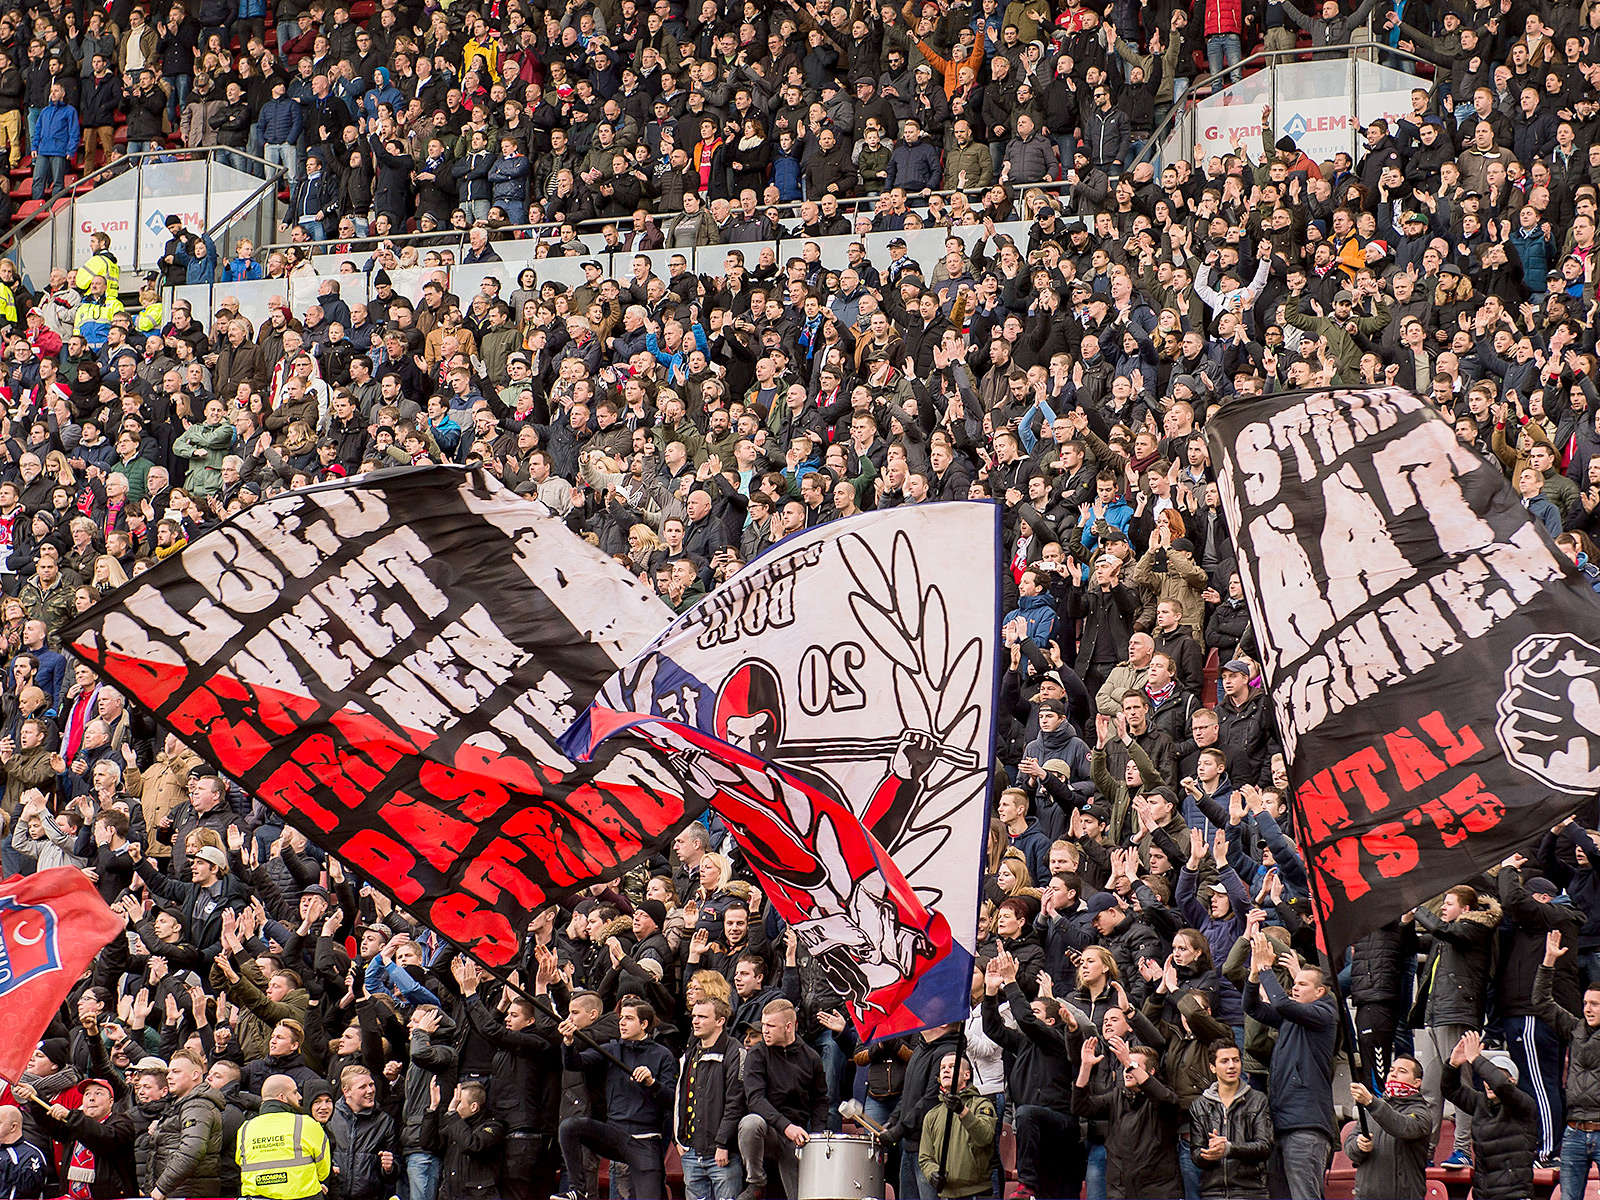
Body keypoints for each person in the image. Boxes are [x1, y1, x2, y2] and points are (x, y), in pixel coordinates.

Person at [1243, 932, 1337, 1200]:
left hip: (1306, 1128)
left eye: (1303, 984)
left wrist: (1264, 968)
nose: (1295, 987)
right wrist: (1253, 974)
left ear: (1319, 992)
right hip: (1280, 1125)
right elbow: (1251, 1007)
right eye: (1295, 983)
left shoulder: (1324, 1013)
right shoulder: (1290, 1018)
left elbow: (1281, 1004)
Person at [555, 998, 678, 1200]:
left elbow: (671, 1099)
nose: (621, 1023)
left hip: (645, 1141)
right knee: (569, 1127)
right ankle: (578, 1188)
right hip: (615, 1134)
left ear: (644, 1024)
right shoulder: (611, 1049)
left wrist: (651, 1083)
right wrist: (568, 1043)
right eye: (621, 1018)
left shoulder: (662, 1055)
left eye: (629, 1019)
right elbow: (575, 1063)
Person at [736, 999, 827, 1200]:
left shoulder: (811, 1058)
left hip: (797, 1137)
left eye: (770, 1026)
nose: (764, 1031)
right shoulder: (757, 1054)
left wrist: (817, 1139)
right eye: (763, 1024)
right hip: (769, 1129)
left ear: (788, 1027)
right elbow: (755, 1100)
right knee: (750, 1123)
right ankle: (756, 1182)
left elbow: (820, 1101)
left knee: (800, 1196)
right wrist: (785, 1126)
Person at [1442, 1031, 1540, 1200]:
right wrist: (1453, 1064)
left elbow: (1501, 1085)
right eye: (1485, 1078)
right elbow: (1450, 1090)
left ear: (1513, 1082)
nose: (1488, 1082)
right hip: (1483, 1194)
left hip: (1514, 1195)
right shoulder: (1480, 1102)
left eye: (1491, 1076)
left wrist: (1476, 1059)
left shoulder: (1523, 1105)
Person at [1344, 1058, 1432, 1200]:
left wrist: (1371, 1102)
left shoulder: (1422, 1113)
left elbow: (1402, 1126)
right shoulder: (1371, 1111)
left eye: (1402, 1071)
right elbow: (1350, 1148)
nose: (1394, 1074)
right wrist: (1358, 1145)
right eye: (1391, 1070)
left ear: (1417, 1082)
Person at [234, 1075, 331, 1200]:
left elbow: (240, 1162)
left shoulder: (246, 1128)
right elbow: (323, 1170)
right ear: (282, 1097)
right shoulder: (306, 1124)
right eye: (295, 1093)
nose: (300, 1097)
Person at [917, 1054, 997, 1200]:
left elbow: (985, 1138)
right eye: (942, 1068)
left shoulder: (982, 1105)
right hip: (946, 1195)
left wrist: (963, 1111)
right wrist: (932, 1173)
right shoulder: (932, 1115)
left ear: (967, 1075)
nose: (946, 1070)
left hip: (977, 1194)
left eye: (952, 1067)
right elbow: (925, 1157)